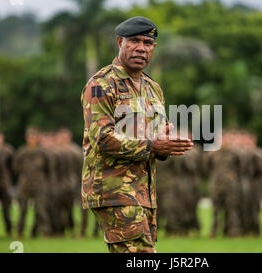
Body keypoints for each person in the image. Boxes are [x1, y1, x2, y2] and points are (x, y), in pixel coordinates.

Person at [81, 16, 193, 253]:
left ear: (154, 48)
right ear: (120, 42)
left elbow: (154, 140)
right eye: (134, 41)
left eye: (148, 43)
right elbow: (102, 139)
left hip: (144, 192)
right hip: (114, 189)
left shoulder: (153, 88)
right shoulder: (102, 84)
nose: (141, 48)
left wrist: (166, 143)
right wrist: (153, 145)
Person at [14, 127, 51, 237]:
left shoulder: (42, 153)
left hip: (39, 183)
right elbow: (16, 167)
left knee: (40, 209)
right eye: (30, 137)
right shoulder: (22, 152)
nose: (32, 140)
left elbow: (48, 168)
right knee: (22, 209)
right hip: (24, 183)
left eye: (34, 137)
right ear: (27, 138)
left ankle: (43, 231)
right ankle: (20, 231)